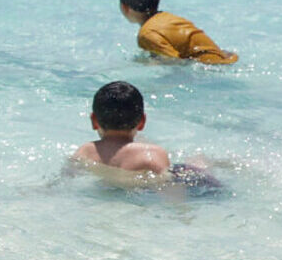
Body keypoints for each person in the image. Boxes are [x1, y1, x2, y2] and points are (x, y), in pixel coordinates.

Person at [68, 80, 212, 187]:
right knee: (198, 162)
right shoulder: (152, 154)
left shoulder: (86, 151)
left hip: (110, 189)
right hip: (144, 190)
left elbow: (64, 179)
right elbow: (170, 189)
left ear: (94, 121)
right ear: (142, 121)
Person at [119, 0, 237, 64]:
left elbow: (174, 62)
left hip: (211, 69)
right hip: (224, 60)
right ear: (158, 0)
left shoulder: (147, 34)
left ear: (124, 7)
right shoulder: (168, 18)